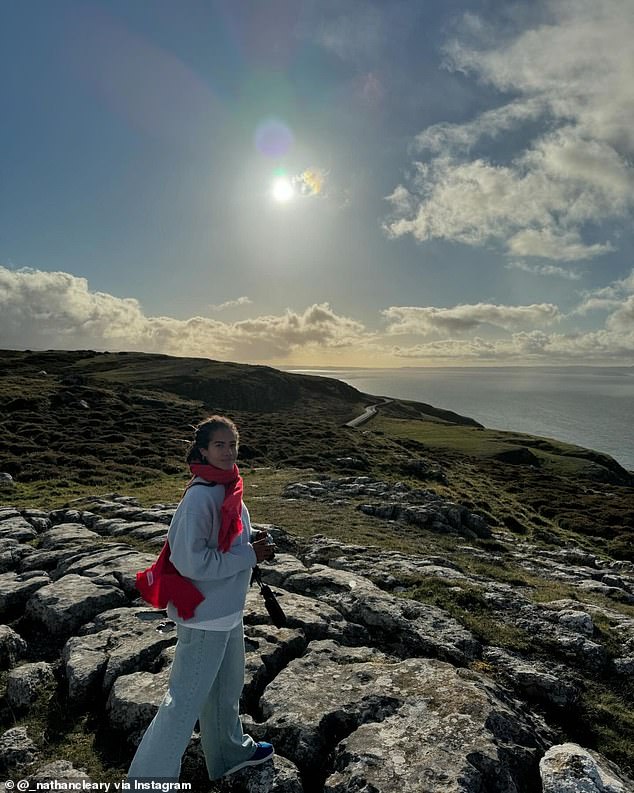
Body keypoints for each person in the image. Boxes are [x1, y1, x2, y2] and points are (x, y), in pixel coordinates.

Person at [128, 415, 276, 782]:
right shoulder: (201, 496)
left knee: (225, 691)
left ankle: (229, 754)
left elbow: (228, 536)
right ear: (203, 450)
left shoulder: (226, 486)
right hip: (205, 618)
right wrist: (250, 556)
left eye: (232, 444)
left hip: (227, 612)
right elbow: (192, 562)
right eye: (219, 445)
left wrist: (253, 538)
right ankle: (147, 784)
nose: (228, 452)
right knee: (183, 704)